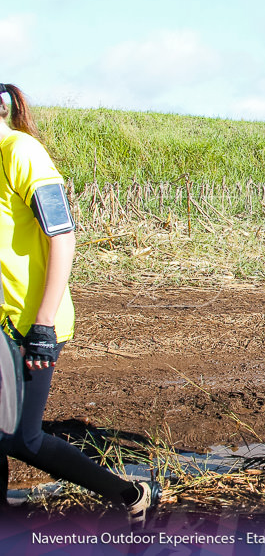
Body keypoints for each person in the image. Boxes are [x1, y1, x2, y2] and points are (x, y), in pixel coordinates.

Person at [0, 83, 159, 527]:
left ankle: (132, 495)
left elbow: (63, 236)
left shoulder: (21, 152)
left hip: (29, 323)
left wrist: (44, 326)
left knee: (22, 438)